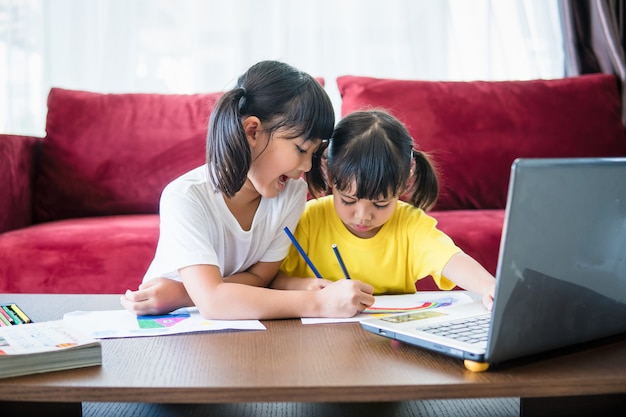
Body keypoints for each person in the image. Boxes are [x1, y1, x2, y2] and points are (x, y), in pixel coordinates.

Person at [120, 60, 375, 320]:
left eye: (313, 153)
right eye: (300, 149)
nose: (306, 166)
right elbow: (213, 304)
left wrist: (184, 294)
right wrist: (319, 303)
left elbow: (260, 276)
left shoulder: (292, 192)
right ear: (252, 131)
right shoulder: (186, 197)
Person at [272, 109, 495, 309]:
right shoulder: (309, 219)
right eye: (349, 200)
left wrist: (489, 287)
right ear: (330, 176)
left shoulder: (410, 225)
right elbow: (269, 278)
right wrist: (305, 286)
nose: (362, 216)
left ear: (405, 182)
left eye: (381, 203)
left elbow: (452, 260)